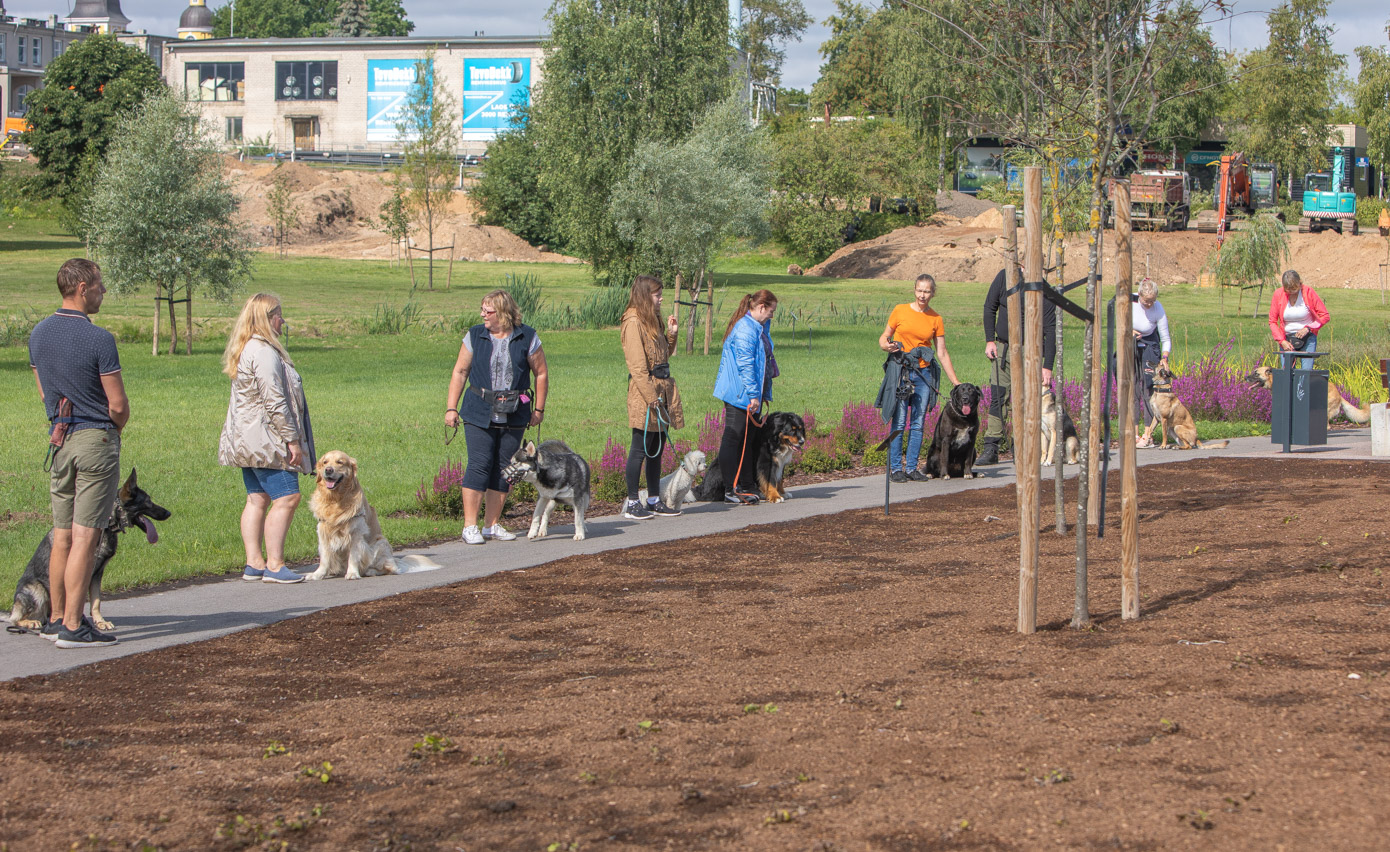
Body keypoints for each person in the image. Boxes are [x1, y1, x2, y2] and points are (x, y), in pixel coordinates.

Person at [28, 258, 129, 648]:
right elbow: (117, 404)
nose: (104, 291)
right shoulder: (99, 338)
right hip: (94, 441)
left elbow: (44, 393)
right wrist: (112, 431)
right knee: (88, 537)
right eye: (100, 285)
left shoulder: (38, 334)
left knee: (62, 536)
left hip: (60, 441)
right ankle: (73, 625)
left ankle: (55, 617)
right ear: (83, 287)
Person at [219, 293, 315, 584]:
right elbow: (275, 401)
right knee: (287, 497)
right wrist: (292, 440)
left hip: (247, 439)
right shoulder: (263, 351)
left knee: (257, 498)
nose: (283, 320)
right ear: (266, 317)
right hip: (266, 440)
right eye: (279, 315)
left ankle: (254, 564)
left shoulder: (247, 347)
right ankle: (274, 564)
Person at [445, 289, 548, 544]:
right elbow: (460, 371)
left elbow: (541, 373)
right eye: (482, 310)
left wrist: (539, 410)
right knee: (479, 463)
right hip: (479, 409)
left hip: (514, 411)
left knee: (505, 467)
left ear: (503, 312)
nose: (483, 315)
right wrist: (451, 407)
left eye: (488, 311)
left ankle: (491, 525)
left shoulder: (527, 336)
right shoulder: (474, 335)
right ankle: (470, 526)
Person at [876, 274, 960, 482]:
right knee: (900, 420)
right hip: (902, 371)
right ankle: (896, 468)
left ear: (933, 293)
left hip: (924, 374)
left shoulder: (935, 319)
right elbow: (884, 337)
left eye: (927, 291)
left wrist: (955, 382)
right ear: (914, 290)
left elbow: (941, 352)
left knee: (918, 422)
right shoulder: (900, 310)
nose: (923, 295)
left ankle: (912, 467)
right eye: (919, 290)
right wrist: (886, 345)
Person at [620, 275, 684, 519]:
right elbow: (637, 367)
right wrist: (651, 398)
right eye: (658, 294)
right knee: (640, 448)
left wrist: (672, 334)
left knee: (657, 446)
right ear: (646, 295)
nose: (661, 298)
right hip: (644, 393)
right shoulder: (633, 321)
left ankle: (654, 499)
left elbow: (663, 356)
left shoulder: (653, 318)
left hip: (661, 389)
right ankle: (633, 502)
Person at [979, 266, 1056, 465]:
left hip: (1030, 354)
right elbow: (990, 307)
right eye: (1021, 264)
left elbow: (1051, 331)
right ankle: (991, 447)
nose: (1024, 268)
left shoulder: (1043, 289)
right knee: (998, 397)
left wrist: (1047, 366)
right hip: (1003, 350)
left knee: (1023, 401)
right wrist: (989, 341)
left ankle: (1020, 446)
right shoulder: (1004, 277)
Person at [712, 289, 778, 504]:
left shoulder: (758, 327)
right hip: (738, 393)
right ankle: (731, 488)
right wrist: (753, 394)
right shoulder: (745, 329)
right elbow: (746, 364)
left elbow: (764, 363)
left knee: (749, 440)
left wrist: (762, 393)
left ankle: (747, 484)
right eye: (771, 311)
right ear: (761, 307)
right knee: (733, 438)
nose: (772, 315)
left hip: (750, 394)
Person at [1132, 277, 1171, 448]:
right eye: (1146, 301)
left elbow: (1165, 337)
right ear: (1139, 295)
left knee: (1148, 388)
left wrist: (1164, 356)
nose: (1149, 305)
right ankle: (1133, 433)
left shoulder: (1158, 308)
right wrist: (1129, 330)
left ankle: (1148, 433)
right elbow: (1117, 321)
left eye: (1152, 301)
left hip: (1150, 345)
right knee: (1133, 388)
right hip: (1130, 342)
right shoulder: (1131, 302)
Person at [1268, 269, 1329, 370]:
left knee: (1306, 373)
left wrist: (1308, 328)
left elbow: (1325, 316)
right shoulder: (1278, 294)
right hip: (1287, 340)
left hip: (1308, 338)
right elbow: (1272, 321)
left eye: (1294, 289)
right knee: (1287, 374)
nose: (1291, 292)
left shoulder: (1308, 292)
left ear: (1300, 283)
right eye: (1288, 290)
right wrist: (1281, 341)